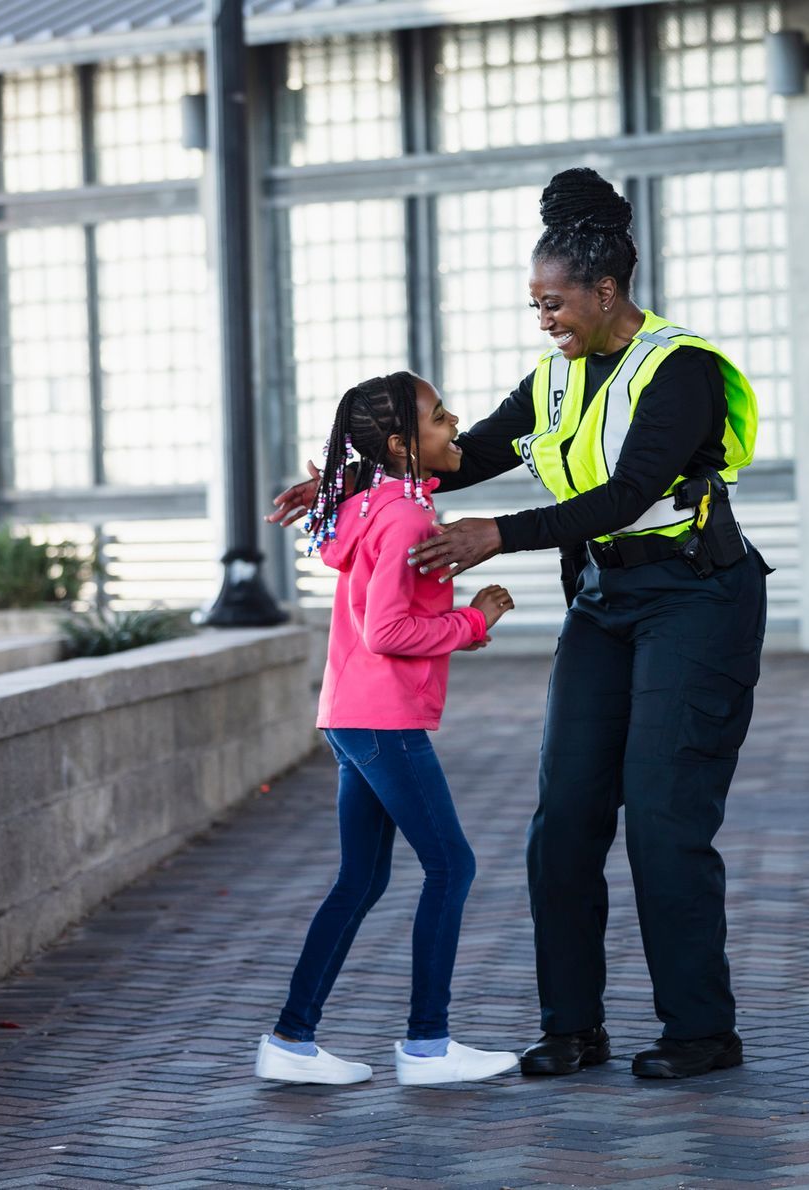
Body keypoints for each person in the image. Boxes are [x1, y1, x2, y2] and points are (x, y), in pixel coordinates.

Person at [267, 167, 766, 1081]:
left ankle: (701, 1030)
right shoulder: (553, 376)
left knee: (661, 816)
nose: (543, 318)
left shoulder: (680, 369)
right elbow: (460, 458)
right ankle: (572, 1026)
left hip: (698, 599)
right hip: (606, 603)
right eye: (535, 304)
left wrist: (498, 536)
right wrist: (348, 479)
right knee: (564, 818)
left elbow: (625, 495)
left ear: (605, 291)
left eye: (554, 302)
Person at [255, 371, 520, 1088]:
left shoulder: (373, 503)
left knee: (362, 879)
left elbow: (345, 535)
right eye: (439, 417)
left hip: (350, 714)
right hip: (381, 719)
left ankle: (291, 1040)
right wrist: (474, 620)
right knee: (451, 866)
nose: (455, 422)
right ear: (403, 444)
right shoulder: (401, 515)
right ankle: (428, 1046)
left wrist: (330, 490)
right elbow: (389, 629)